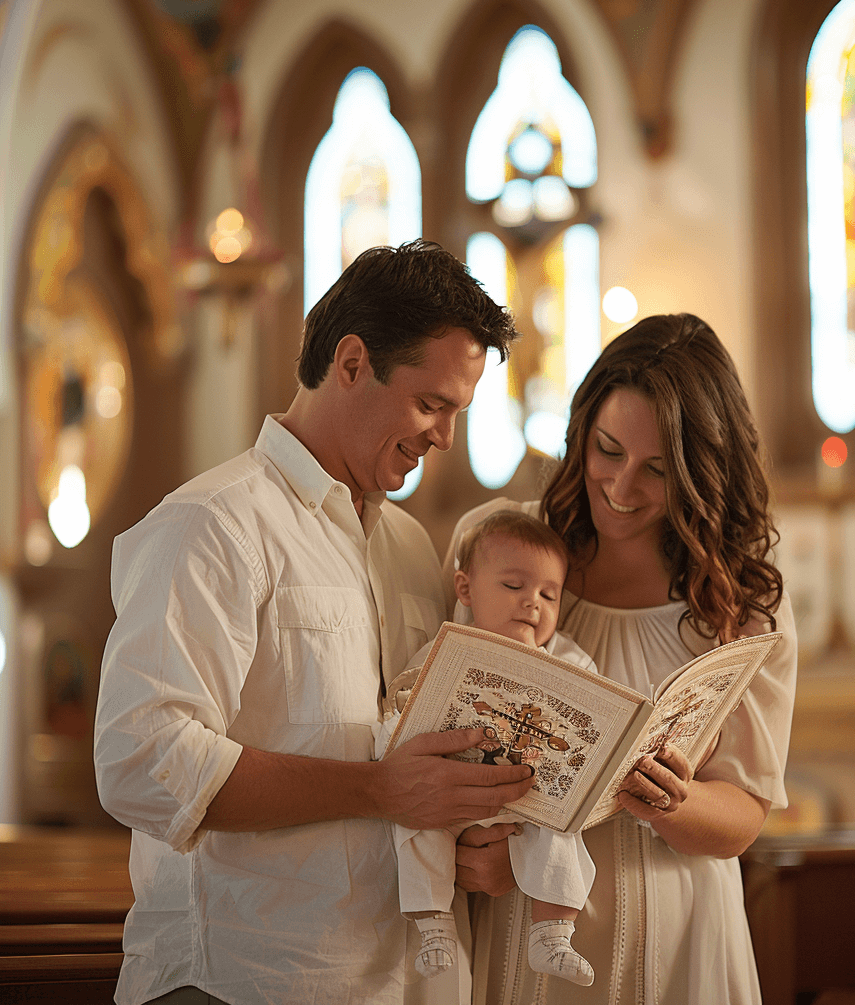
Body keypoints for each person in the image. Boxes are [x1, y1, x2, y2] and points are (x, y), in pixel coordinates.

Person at [92, 240, 537, 1005]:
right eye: (432, 404)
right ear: (353, 361)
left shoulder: (405, 546)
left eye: (457, 413)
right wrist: (379, 791)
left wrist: (485, 843)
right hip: (250, 977)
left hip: (408, 981)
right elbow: (140, 758)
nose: (444, 438)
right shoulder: (212, 526)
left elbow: (416, 750)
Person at [446, 313, 798, 1005]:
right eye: (608, 451)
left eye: (658, 470)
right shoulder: (502, 551)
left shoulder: (745, 599)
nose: (622, 488)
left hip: (683, 930)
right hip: (530, 924)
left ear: (705, 473)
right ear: (580, 432)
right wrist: (467, 852)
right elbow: (443, 733)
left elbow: (745, 813)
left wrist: (674, 800)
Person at [375, 512, 598, 988]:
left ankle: (553, 930)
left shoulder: (567, 656)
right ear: (466, 588)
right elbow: (405, 702)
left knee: (561, 832)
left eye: (548, 595)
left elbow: (591, 708)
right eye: (514, 586)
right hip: (453, 789)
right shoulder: (447, 649)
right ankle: (433, 922)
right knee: (417, 825)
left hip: (527, 799)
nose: (532, 604)